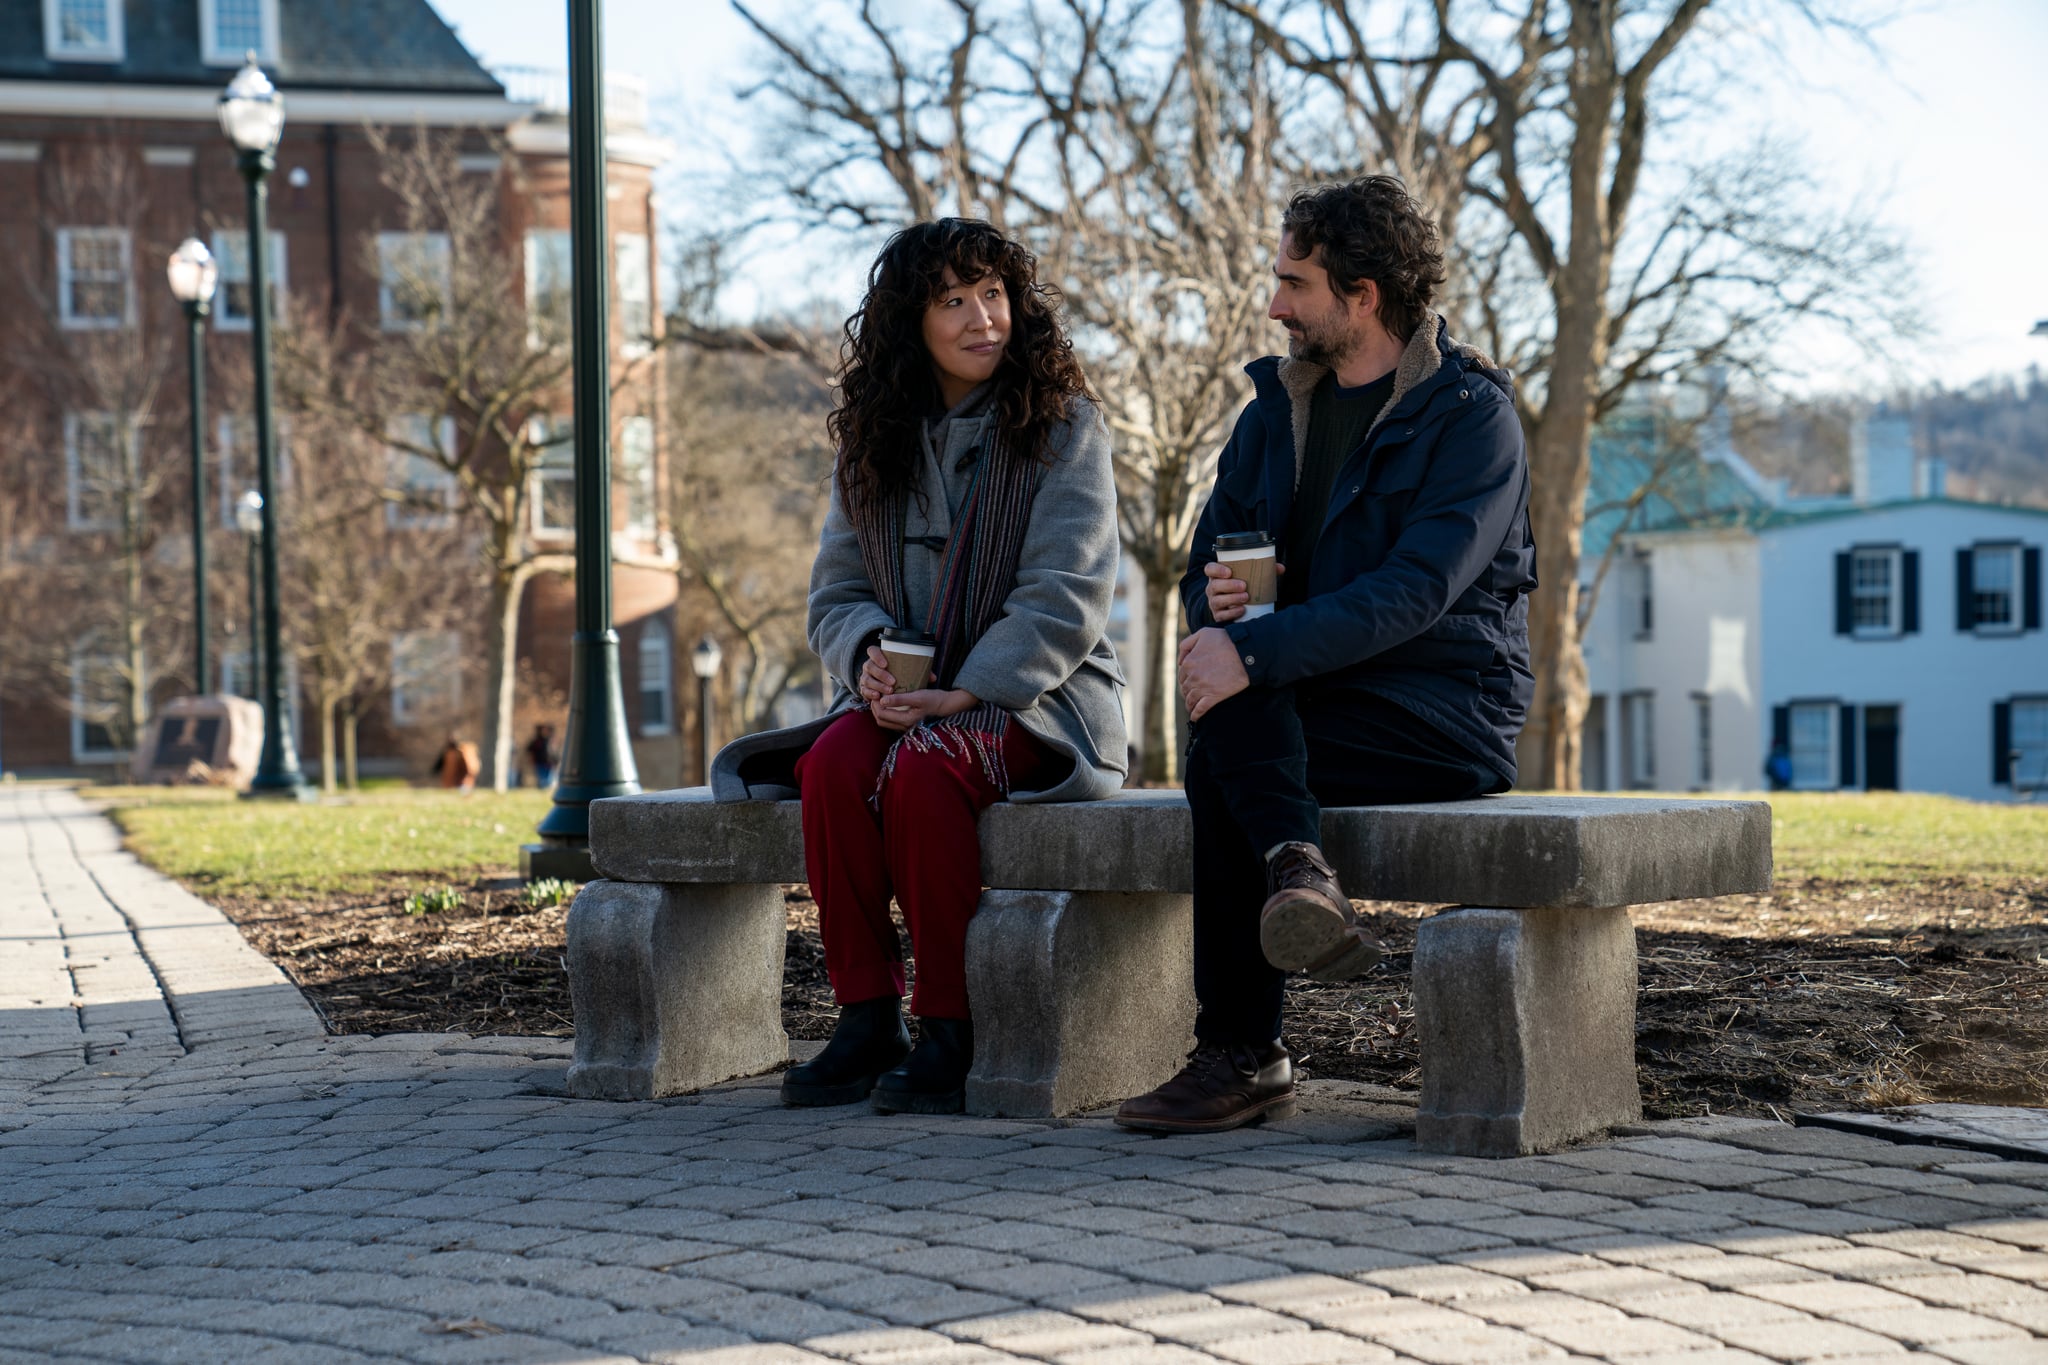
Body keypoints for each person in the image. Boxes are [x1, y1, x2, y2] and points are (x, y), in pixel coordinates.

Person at [1115, 175, 1537, 1134]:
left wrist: (1253, 651)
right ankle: (1299, 870)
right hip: (1309, 695)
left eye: (1294, 283)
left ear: (1363, 296)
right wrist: (1217, 603)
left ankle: (1242, 1052)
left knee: (1226, 723)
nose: (1273, 304)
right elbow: (1197, 570)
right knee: (1227, 699)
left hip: (1441, 709)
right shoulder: (1273, 411)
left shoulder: (1471, 416)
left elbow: (1414, 592)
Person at [713, 218, 1126, 1115]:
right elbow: (837, 590)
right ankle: (867, 1016)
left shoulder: (1064, 429)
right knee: (828, 764)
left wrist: (970, 688)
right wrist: (864, 658)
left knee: (927, 769)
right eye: (954, 301)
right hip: (907, 699)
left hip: (1041, 702)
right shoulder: (873, 443)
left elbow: (1068, 591)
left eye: (994, 295)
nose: (985, 318)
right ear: (914, 323)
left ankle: (951, 1025)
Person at [524, 723, 557, 789]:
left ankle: (546, 787)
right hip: (539, 762)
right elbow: (529, 750)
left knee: (549, 777)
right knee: (541, 777)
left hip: (548, 763)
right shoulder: (536, 741)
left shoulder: (549, 740)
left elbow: (553, 752)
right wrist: (531, 759)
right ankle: (542, 787)